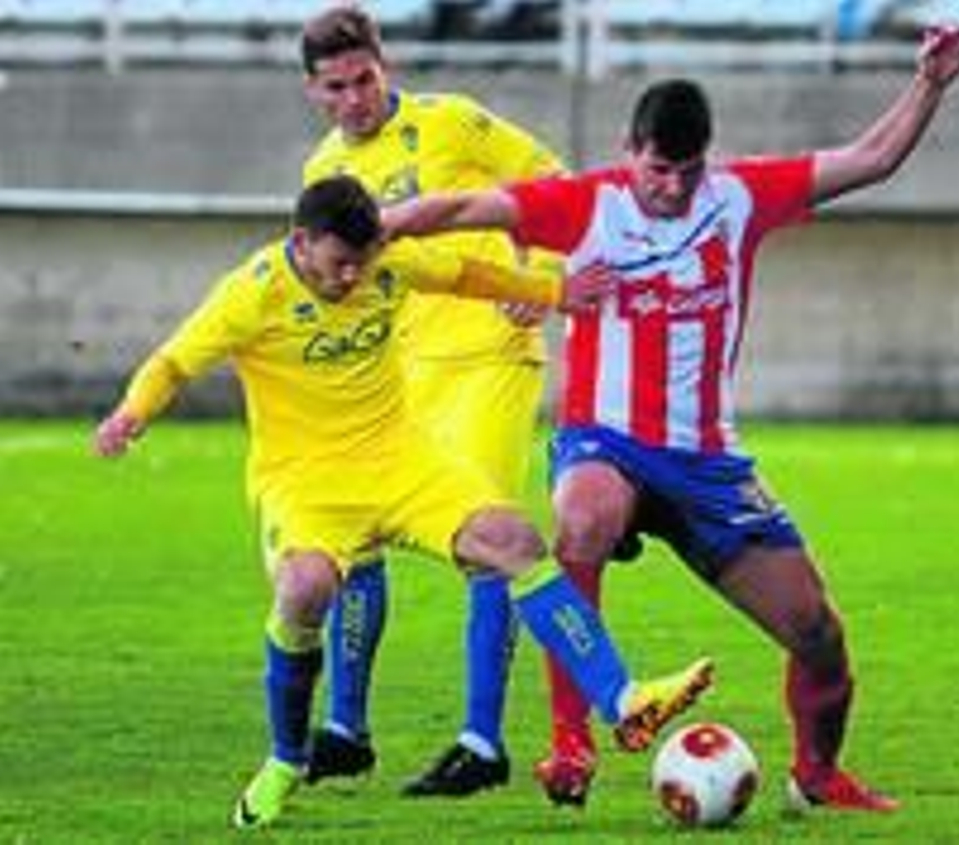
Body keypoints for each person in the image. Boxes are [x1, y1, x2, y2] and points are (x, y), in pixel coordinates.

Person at [383, 25, 959, 812]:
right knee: (582, 518)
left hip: (707, 463)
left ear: (708, 159)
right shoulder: (587, 203)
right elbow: (464, 204)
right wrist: (376, 227)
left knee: (817, 632)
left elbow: (870, 159)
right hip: (607, 440)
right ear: (633, 151)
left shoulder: (740, 197)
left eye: (686, 171)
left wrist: (930, 83)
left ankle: (817, 775)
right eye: (659, 169)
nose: (671, 186)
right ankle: (571, 747)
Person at [93, 176, 713, 829]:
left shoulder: (383, 261)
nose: (353, 275)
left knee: (517, 541)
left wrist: (554, 291)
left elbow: (463, 273)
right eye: (339, 264)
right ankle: (284, 759)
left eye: (364, 261)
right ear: (300, 243)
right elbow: (173, 362)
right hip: (306, 482)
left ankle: (624, 699)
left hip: (402, 463)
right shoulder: (250, 293)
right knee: (304, 589)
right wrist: (132, 413)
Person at [298, 5, 568, 797]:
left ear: (385, 64)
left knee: (487, 544)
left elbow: (551, 179)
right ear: (314, 91)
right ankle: (346, 730)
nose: (355, 98)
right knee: (355, 534)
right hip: (403, 372)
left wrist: (540, 269)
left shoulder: (451, 121)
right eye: (337, 86)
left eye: (365, 78)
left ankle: (481, 742)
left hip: (489, 352)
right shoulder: (322, 170)